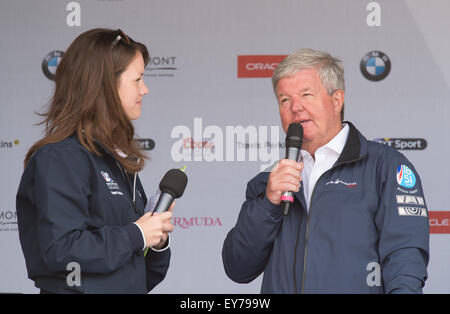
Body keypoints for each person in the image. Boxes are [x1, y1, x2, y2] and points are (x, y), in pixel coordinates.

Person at [222, 48, 430, 293]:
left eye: (306, 94)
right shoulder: (268, 182)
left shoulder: (384, 166)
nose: (295, 107)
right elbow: (238, 267)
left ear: (336, 100)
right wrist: (268, 203)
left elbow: (405, 257)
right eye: (284, 100)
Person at [16, 28, 174, 294]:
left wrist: (156, 242)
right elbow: (60, 251)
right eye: (137, 80)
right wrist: (136, 234)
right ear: (106, 85)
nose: (144, 90)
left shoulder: (116, 160)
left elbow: (138, 277)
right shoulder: (60, 158)